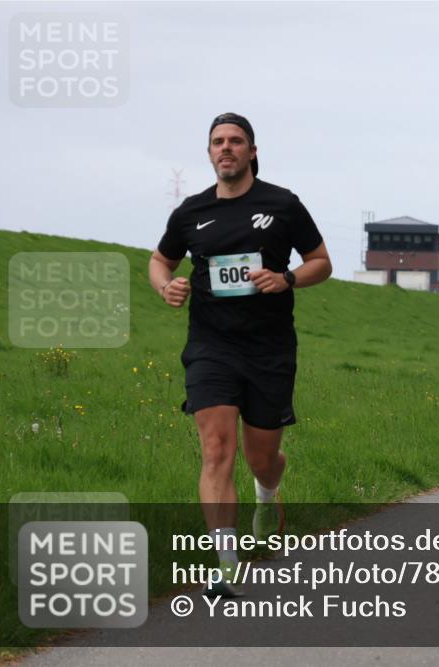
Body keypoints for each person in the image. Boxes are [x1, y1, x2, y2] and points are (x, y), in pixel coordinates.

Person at [150, 113, 333, 597]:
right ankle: (226, 563)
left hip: (269, 349)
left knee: (261, 458)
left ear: (252, 151)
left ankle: (267, 493)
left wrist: (286, 278)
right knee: (216, 449)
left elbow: (321, 262)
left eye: (235, 141)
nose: (226, 148)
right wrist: (166, 286)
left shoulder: (282, 204)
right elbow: (160, 260)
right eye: (218, 142)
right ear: (209, 152)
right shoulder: (191, 212)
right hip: (211, 346)